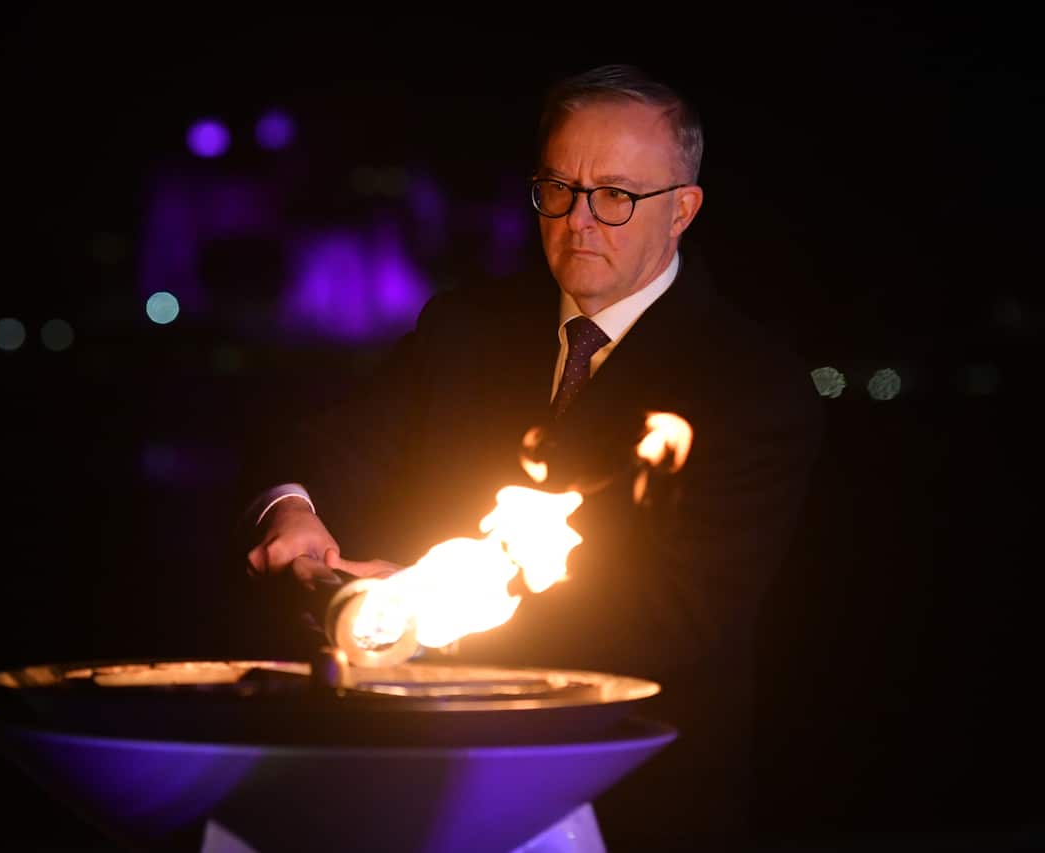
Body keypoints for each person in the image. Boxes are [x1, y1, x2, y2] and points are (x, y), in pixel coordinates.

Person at [233, 63, 824, 851]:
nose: (579, 221)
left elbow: (677, 615)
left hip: (626, 798)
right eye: (558, 189)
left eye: (615, 195)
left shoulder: (750, 382)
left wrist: (418, 606)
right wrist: (292, 508)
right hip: (414, 784)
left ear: (682, 209)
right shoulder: (466, 326)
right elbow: (339, 444)